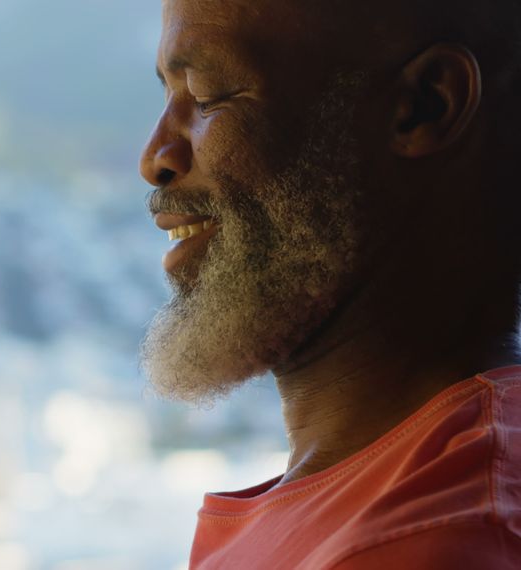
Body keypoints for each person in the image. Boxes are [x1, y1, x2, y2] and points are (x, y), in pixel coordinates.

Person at [138, 0, 521, 567]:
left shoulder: (433, 537)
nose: (156, 158)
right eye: (168, 96)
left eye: (209, 94)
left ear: (422, 106)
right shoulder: (384, 502)